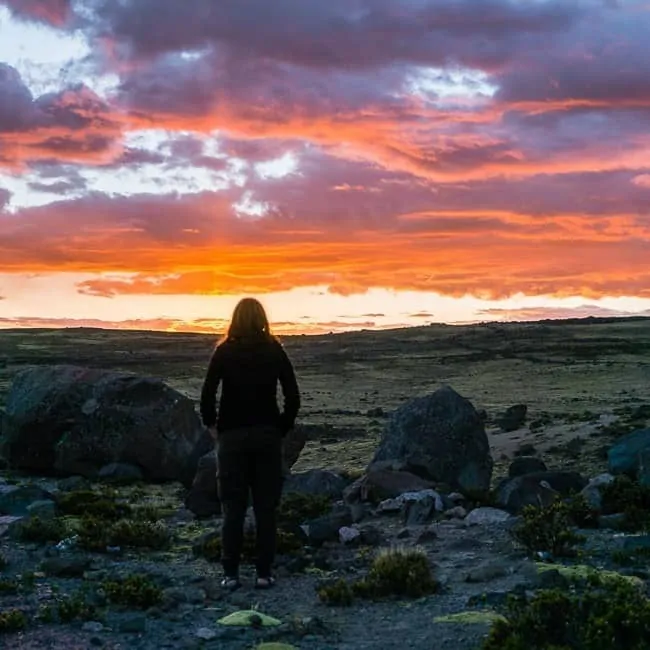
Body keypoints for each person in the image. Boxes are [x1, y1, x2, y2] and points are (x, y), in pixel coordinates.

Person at [199, 297, 300, 590]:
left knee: (233, 507)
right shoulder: (275, 350)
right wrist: (280, 428)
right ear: (262, 319)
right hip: (267, 437)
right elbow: (293, 397)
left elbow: (207, 396)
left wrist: (213, 428)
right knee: (266, 508)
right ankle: (264, 573)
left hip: (232, 438)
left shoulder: (224, 352)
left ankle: (230, 574)